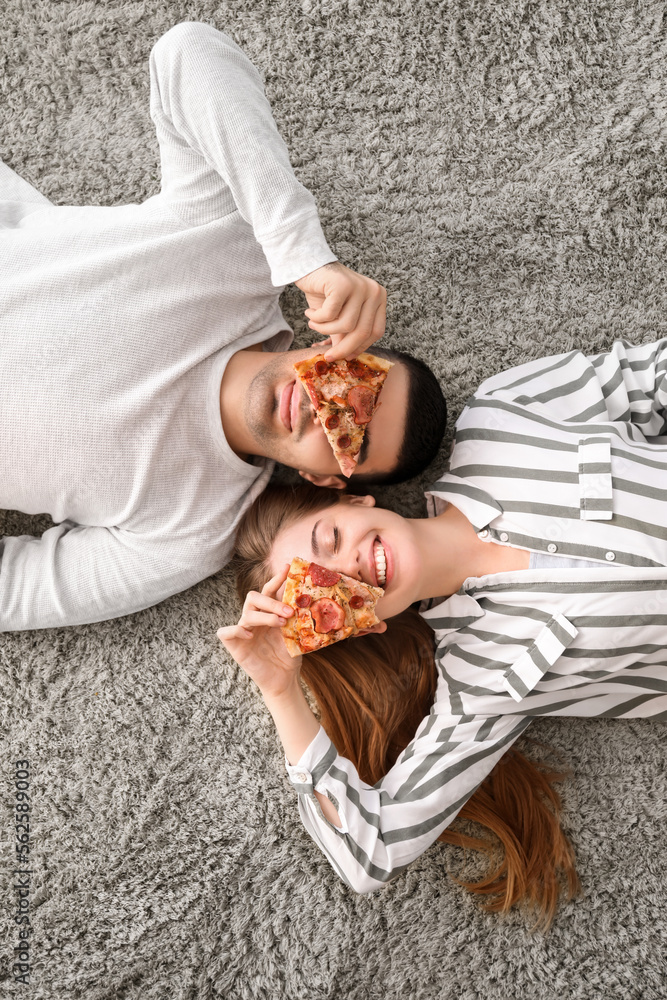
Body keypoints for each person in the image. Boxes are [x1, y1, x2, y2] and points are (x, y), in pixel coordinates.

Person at [0, 22, 446, 631]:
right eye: (352, 382)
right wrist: (306, 257)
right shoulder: (235, 252)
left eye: (353, 437)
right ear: (333, 343)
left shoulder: (189, 534)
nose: (328, 408)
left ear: (325, 479)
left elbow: (18, 593)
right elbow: (186, 52)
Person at [219, 338, 667, 928]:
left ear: (354, 499)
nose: (345, 568)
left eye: (329, 539)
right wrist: (280, 691)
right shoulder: (478, 684)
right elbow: (367, 852)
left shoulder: (503, 412)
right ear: (349, 628)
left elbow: (649, 374)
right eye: (323, 592)